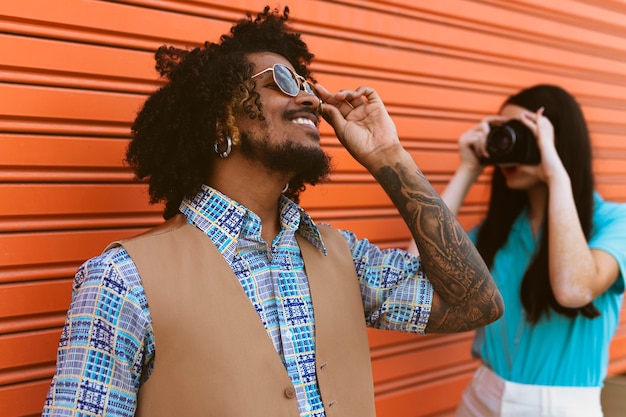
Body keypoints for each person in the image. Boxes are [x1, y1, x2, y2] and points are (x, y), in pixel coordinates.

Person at [43, 6, 503, 417]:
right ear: (223, 115)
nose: (309, 99)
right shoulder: (122, 280)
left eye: (306, 86)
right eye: (282, 82)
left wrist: (388, 157)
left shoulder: (342, 257)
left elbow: (475, 303)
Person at [409, 84, 626, 416]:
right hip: (482, 396)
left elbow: (573, 289)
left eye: (522, 133)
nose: (507, 145)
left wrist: (556, 172)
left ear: (556, 142)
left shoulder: (615, 222)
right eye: (501, 132)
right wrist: (468, 169)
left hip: (561, 407)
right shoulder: (501, 233)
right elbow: (413, 271)